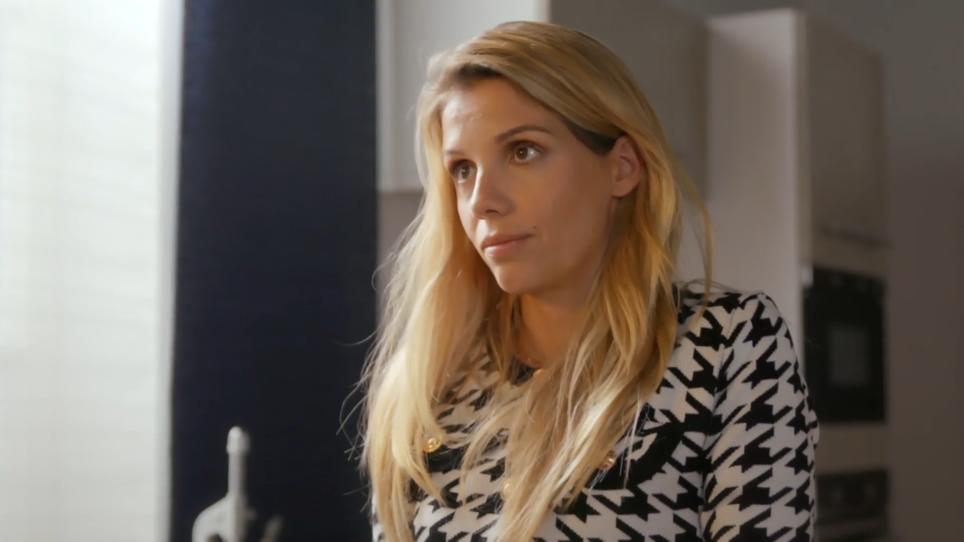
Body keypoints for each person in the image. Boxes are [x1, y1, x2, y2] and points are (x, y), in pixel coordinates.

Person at [356, 19, 820, 542]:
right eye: (462, 169)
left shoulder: (726, 346)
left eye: (522, 151)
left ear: (622, 168)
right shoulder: (431, 378)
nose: (483, 200)